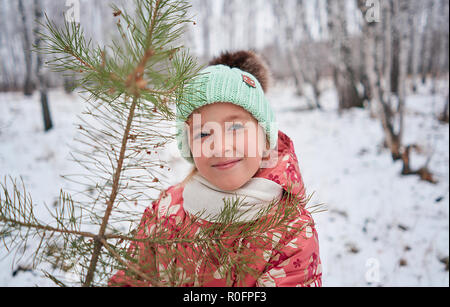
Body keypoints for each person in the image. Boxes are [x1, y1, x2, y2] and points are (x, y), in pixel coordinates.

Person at [109, 50, 322, 287]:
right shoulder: (165, 212)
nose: (219, 147)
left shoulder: (290, 231)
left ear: (264, 137)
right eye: (202, 133)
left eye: (235, 128)